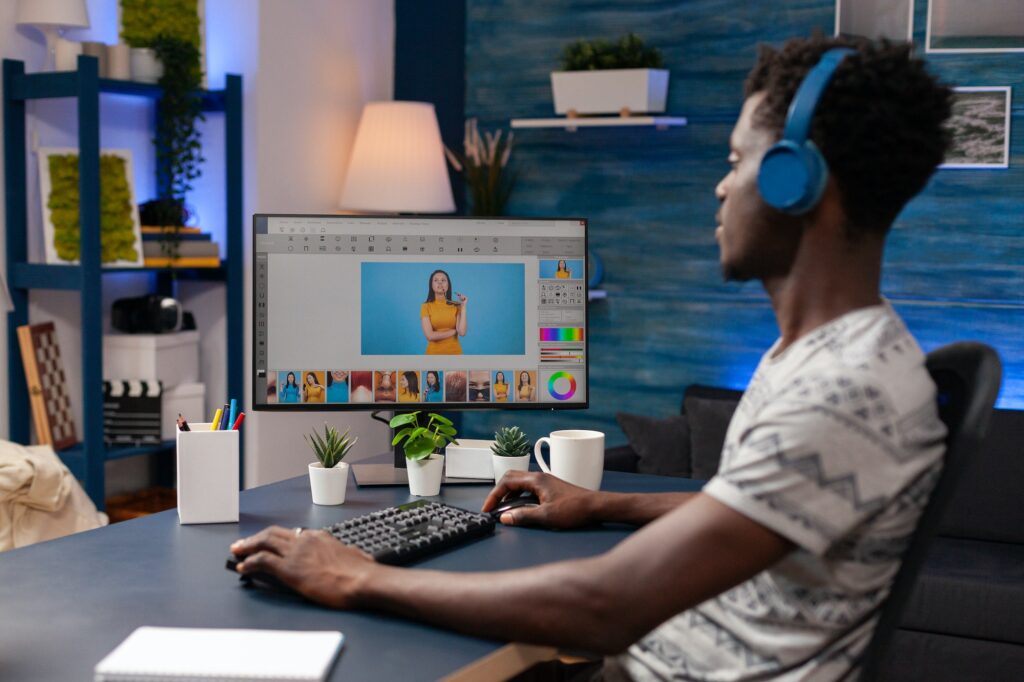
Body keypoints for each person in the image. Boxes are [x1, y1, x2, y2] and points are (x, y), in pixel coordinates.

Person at [230, 36, 952, 681]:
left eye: (737, 161)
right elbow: (754, 505)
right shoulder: (831, 354)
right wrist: (601, 502)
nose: (721, 185)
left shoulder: (838, 390)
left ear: (797, 180)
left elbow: (608, 606)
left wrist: (353, 575)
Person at [420, 269, 468, 355]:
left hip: (455, 353)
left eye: (443, 280)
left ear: (448, 285)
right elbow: (430, 336)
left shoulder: (456, 306)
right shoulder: (426, 306)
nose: (440, 283)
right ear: (431, 285)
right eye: (436, 280)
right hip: (433, 354)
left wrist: (463, 307)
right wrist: (453, 332)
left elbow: (461, 332)